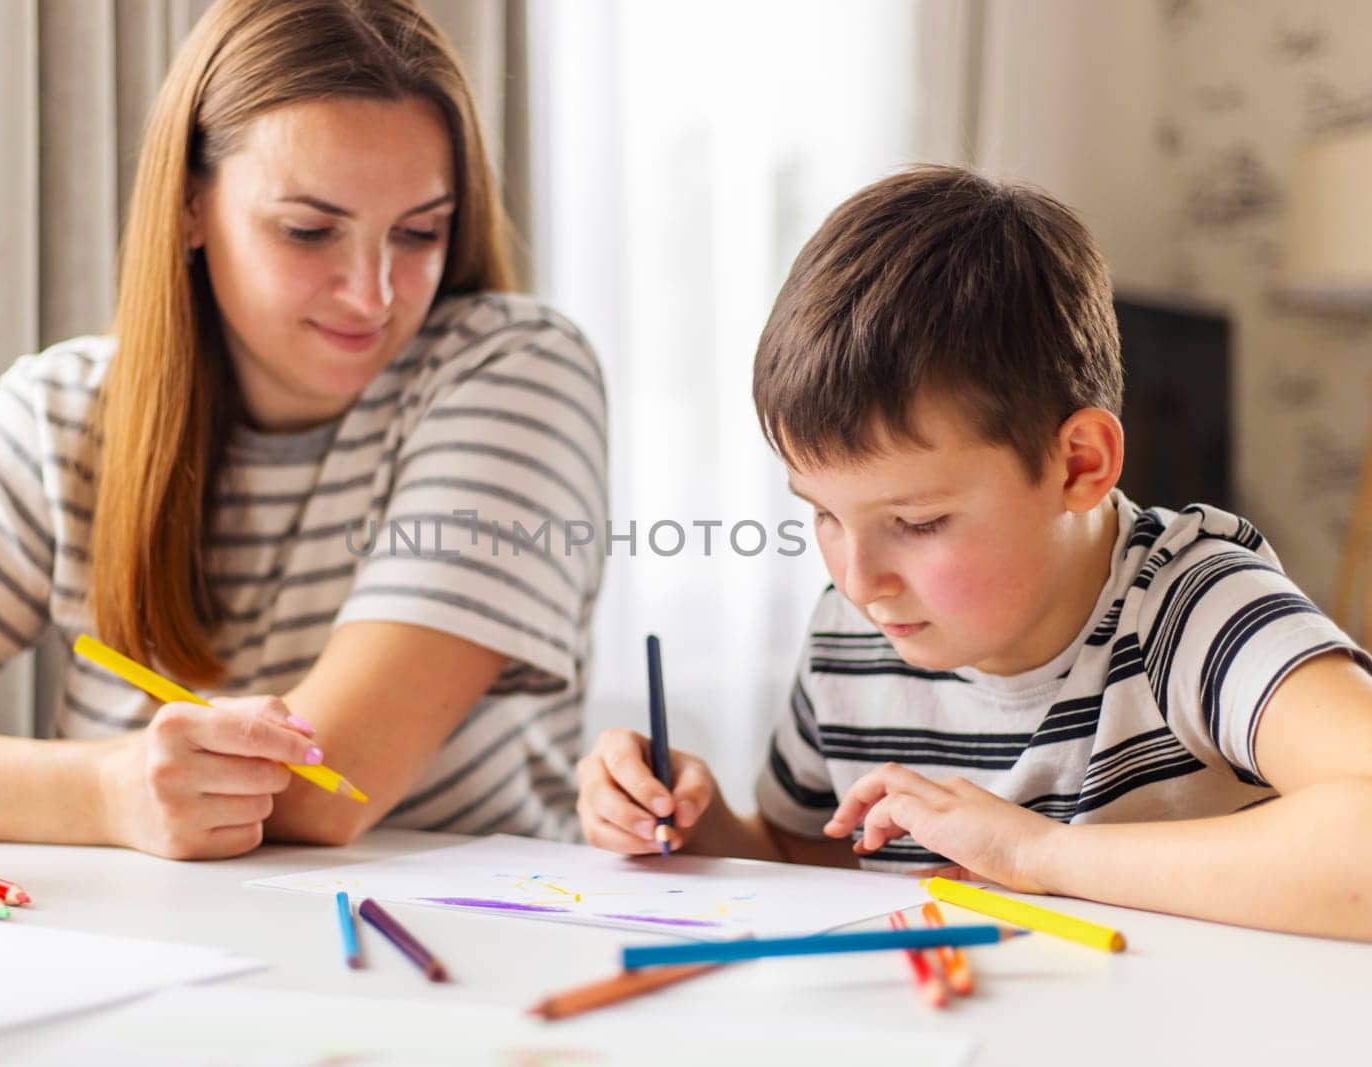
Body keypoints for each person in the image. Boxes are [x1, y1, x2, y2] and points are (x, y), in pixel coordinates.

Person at [0, 0, 606, 859]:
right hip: (139, 949)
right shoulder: (61, 414)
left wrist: (14, 783)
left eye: (419, 232)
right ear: (189, 208)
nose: (374, 293)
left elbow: (331, 787)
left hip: (453, 961)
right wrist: (105, 792)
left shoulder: (518, 371)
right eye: (309, 230)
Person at [576, 165, 1372, 940]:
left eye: (918, 522)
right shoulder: (853, 637)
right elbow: (810, 859)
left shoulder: (1192, 605)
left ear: (1079, 465)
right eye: (821, 514)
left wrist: (1039, 852)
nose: (860, 582)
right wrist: (694, 821)